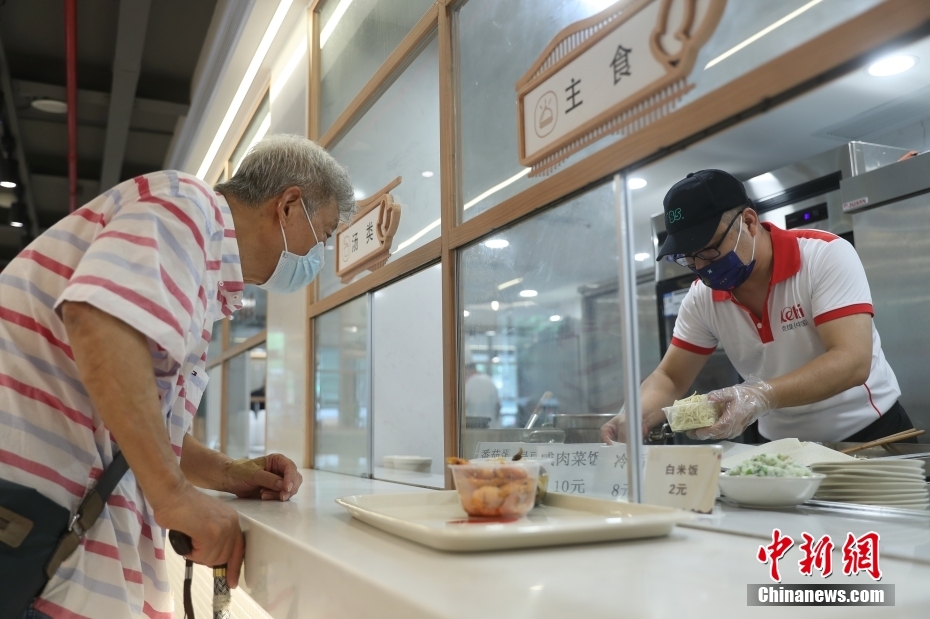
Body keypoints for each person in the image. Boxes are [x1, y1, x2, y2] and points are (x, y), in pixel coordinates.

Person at [0, 134, 355, 618]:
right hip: (27, 519)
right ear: (289, 205)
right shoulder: (188, 206)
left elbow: (132, 415)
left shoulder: (204, 269)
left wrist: (227, 473)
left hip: (44, 535)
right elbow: (97, 319)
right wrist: (173, 496)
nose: (318, 257)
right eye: (325, 235)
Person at [601, 169, 913, 445]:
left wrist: (759, 395)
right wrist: (635, 414)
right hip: (780, 446)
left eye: (708, 251)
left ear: (749, 222)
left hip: (869, 434)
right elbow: (670, 377)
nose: (699, 266)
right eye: (688, 257)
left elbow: (852, 361)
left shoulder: (825, 256)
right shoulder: (702, 297)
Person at [464, 352, 501, 428]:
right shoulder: (490, 381)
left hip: (473, 431)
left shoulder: (468, 384)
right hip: (491, 429)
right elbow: (498, 407)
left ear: (465, 369)